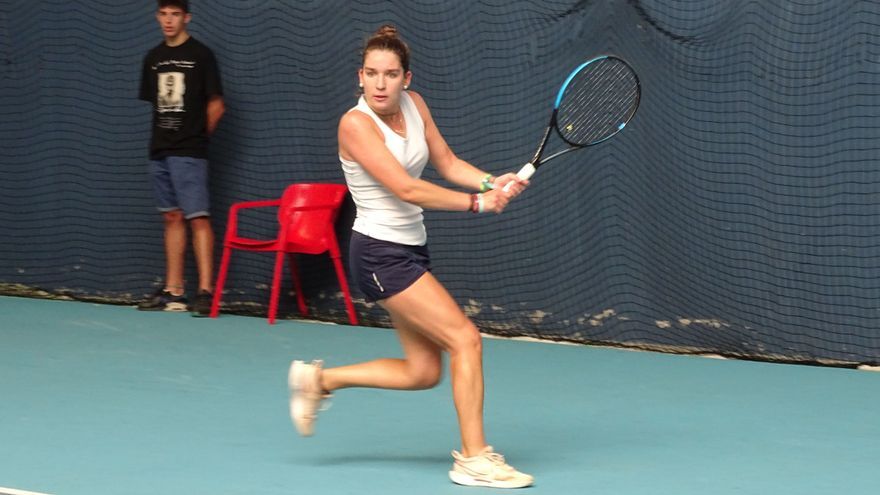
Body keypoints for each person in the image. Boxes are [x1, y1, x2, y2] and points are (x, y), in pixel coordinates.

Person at [288, 25, 534, 488]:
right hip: (379, 254)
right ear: (359, 77)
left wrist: (490, 182)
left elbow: (447, 162)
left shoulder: (416, 106)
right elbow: (405, 187)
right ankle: (473, 458)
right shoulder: (355, 124)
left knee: (423, 372)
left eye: (391, 74)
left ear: (406, 78)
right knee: (466, 339)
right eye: (372, 74)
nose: (381, 84)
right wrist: (476, 204)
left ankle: (319, 382)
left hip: (409, 248)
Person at [137, 0, 225, 316]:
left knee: (197, 217)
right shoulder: (153, 58)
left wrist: (196, 139)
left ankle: (205, 291)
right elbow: (158, 106)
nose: (169, 20)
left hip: (190, 152)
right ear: (157, 17)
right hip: (159, 150)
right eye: (163, 14)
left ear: (186, 17)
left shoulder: (201, 56)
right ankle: (174, 291)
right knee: (171, 217)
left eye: (175, 14)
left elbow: (216, 105)